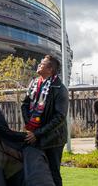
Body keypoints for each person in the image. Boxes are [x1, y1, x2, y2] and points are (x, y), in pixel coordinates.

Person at [21, 55, 68, 186]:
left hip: (53, 139)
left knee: (53, 173)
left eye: (42, 64)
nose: (39, 65)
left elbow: (59, 117)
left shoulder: (60, 89)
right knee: (36, 172)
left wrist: (37, 133)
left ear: (50, 69)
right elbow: (24, 105)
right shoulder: (34, 84)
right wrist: (30, 127)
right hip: (34, 135)